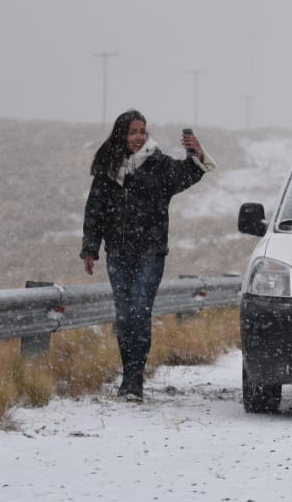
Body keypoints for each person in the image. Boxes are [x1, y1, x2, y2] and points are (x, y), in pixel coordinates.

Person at [80, 109, 214, 400]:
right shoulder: (107, 169)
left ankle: (133, 378)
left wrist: (196, 152)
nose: (139, 137)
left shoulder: (159, 165)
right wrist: (90, 249)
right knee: (124, 315)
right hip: (117, 251)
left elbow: (188, 174)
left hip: (150, 252)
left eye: (142, 131)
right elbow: (95, 210)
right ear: (121, 135)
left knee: (140, 310)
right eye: (132, 132)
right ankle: (130, 371)